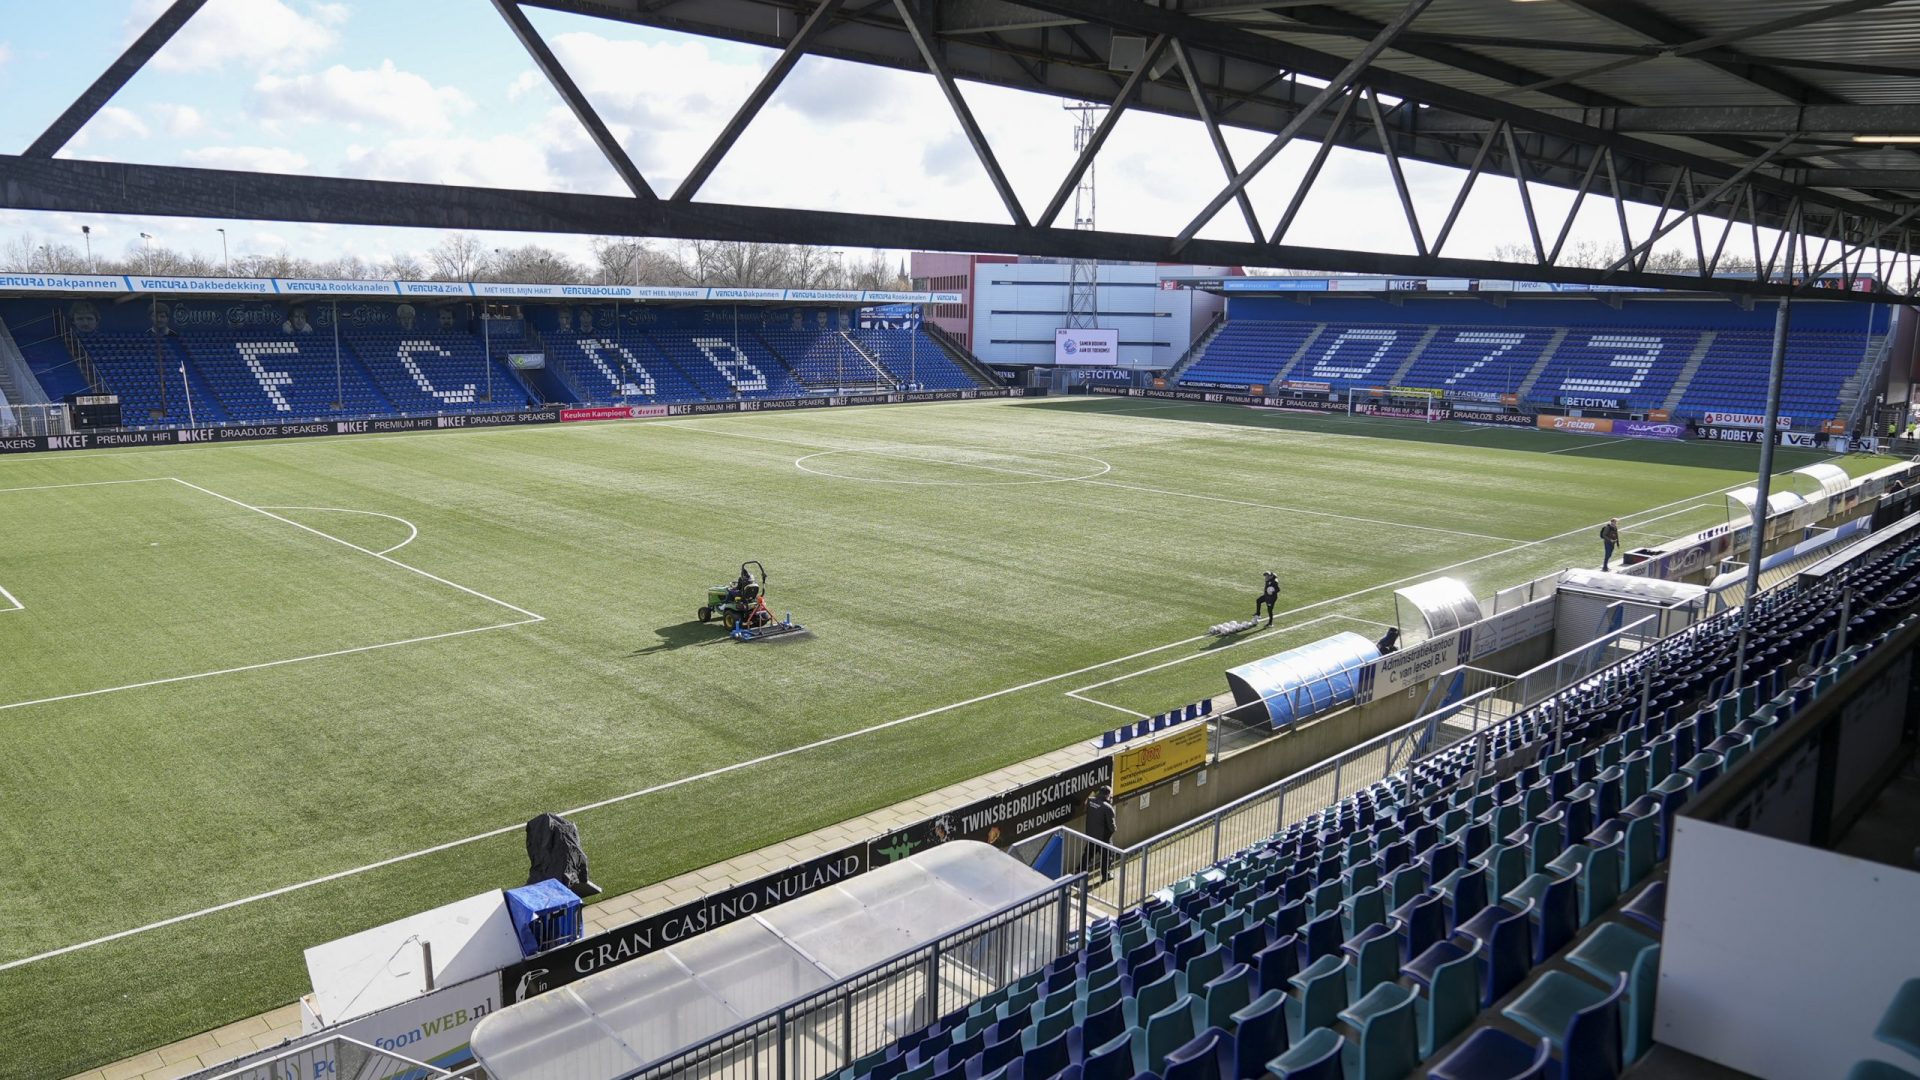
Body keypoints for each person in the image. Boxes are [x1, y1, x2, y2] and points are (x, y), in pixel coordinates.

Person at [1081, 785, 1116, 884]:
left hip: (1091, 836)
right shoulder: (1107, 807)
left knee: (1087, 856)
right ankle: (1106, 875)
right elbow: (1112, 827)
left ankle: (1079, 875)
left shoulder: (1090, 801)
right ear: (1108, 795)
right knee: (1107, 857)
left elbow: (1086, 807)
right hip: (1103, 839)